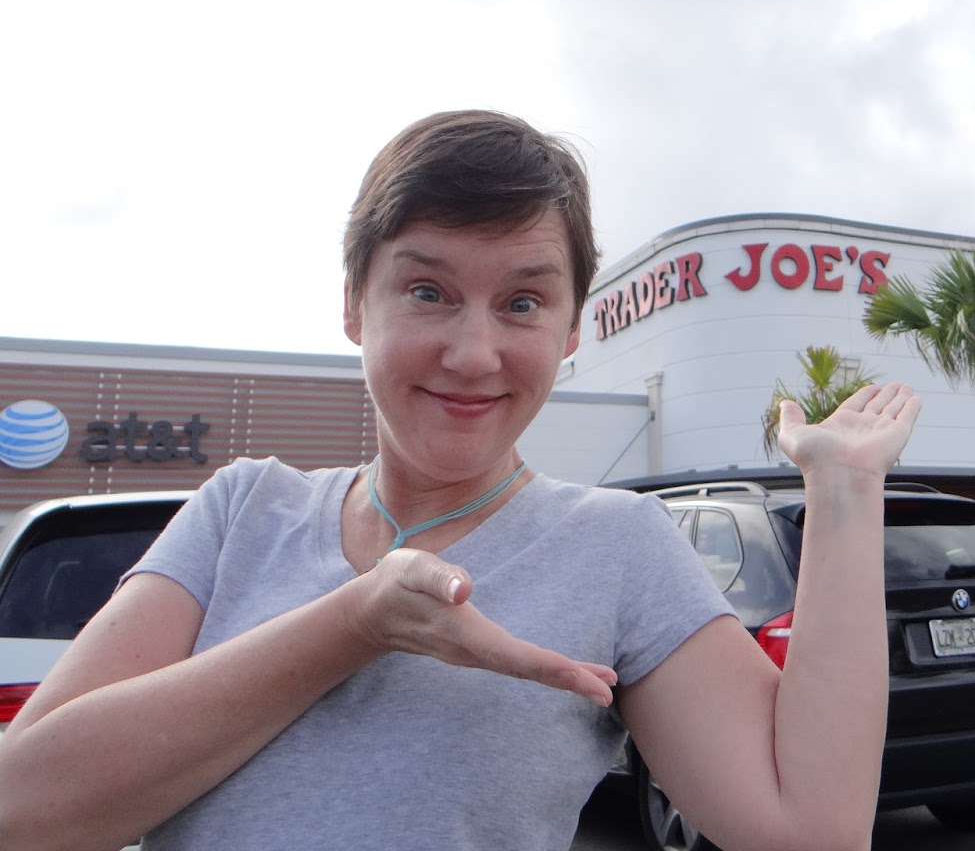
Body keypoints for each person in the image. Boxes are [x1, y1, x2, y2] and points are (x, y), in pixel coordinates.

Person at [0, 110, 922, 851]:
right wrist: (354, 625)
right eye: (428, 291)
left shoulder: (619, 549)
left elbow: (812, 830)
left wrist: (845, 494)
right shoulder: (244, 509)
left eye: (522, 301)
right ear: (355, 304)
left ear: (569, 333)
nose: (474, 353)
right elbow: (21, 812)